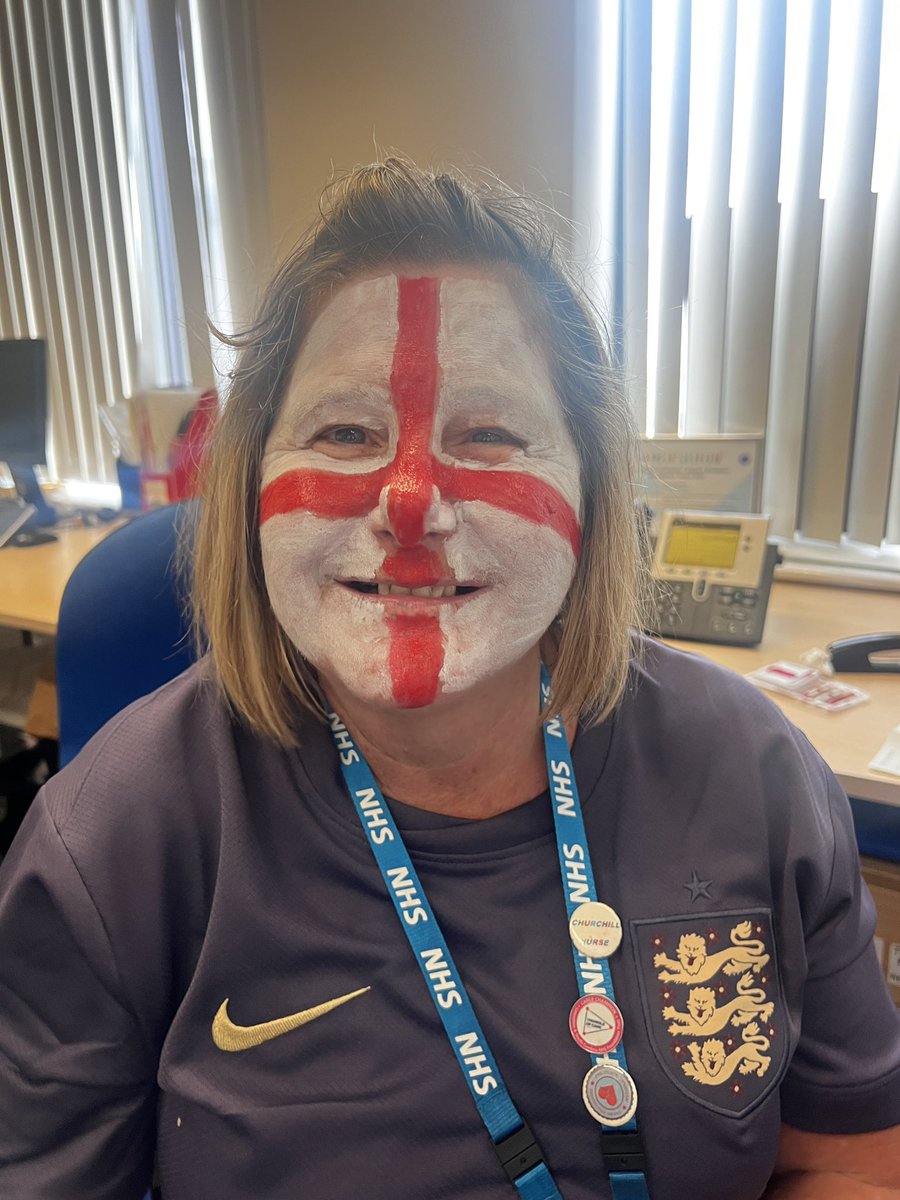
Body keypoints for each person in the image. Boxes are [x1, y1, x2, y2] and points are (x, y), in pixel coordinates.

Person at [0, 159, 898, 1200]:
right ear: (248, 484)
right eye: (345, 433)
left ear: (593, 489)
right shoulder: (109, 842)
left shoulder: (754, 771)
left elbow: (850, 1167)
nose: (412, 501)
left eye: (490, 434)